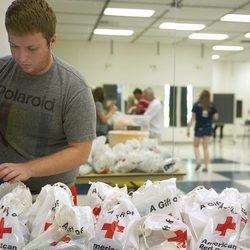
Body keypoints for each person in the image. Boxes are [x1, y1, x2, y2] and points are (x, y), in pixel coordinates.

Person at [0, 0, 96, 205]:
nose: (22, 56)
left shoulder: (73, 86)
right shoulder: (2, 71)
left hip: (54, 199)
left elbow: (80, 152)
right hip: (4, 194)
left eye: (32, 48)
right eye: (14, 46)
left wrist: (28, 169)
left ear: (52, 41)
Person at [187, 90, 218, 172]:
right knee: (206, 148)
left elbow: (192, 117)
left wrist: (188, 128)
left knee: (196, 146)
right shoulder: (211, 105)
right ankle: (206, 166)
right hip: (208, 127)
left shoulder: (196, 105)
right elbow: (216, 117)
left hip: (199, 128)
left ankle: (198, 161)